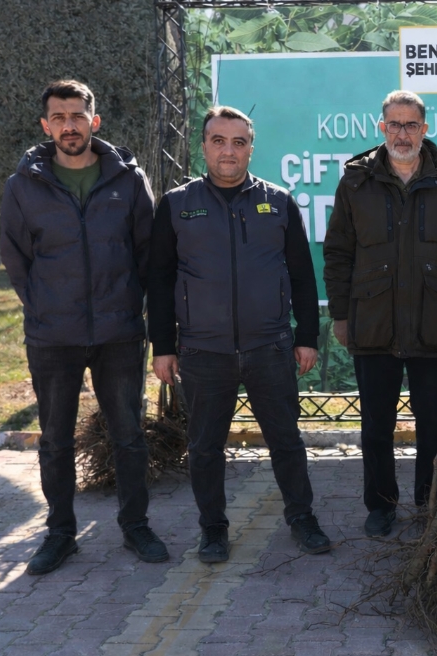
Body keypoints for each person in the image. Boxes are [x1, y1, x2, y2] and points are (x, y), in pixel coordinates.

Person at [149, 106, 331, 561]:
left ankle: (302, 518)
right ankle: (212, 529)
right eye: (218, 141)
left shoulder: (279, 201)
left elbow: (304, 277)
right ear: (204, 145)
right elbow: (159, 279)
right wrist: (163, 347)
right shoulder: (175, 204)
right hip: (202, 351)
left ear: (251, 147)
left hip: (269, 346)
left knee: (286, 441)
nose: (228, 151)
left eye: (238, 142)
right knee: (205, 448)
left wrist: (306, 336)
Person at [0, 79, 167, 575]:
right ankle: (60, 533)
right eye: (58, 117)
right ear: (45, 125)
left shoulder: (128, 179)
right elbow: (16, 258)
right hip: (53, 336)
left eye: (77, 116)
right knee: (54, 438)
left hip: (119, 332)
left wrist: (131, 306)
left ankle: (136, 526)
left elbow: (148, 253)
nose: (68, 126)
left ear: (94, 121)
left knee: (129, 434)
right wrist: (45, 308)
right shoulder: (22, 186)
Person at [323, 90, 437, 538]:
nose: (402, 133)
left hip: (434, 321)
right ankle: (381, 506)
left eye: (411, 125)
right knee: (376, 424)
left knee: (434, 422)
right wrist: (341, 315)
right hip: (374, 321)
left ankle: (433, 504)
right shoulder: (355, 182)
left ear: (425, 130)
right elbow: (338, 253)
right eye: (395, 124)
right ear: (381, 127)